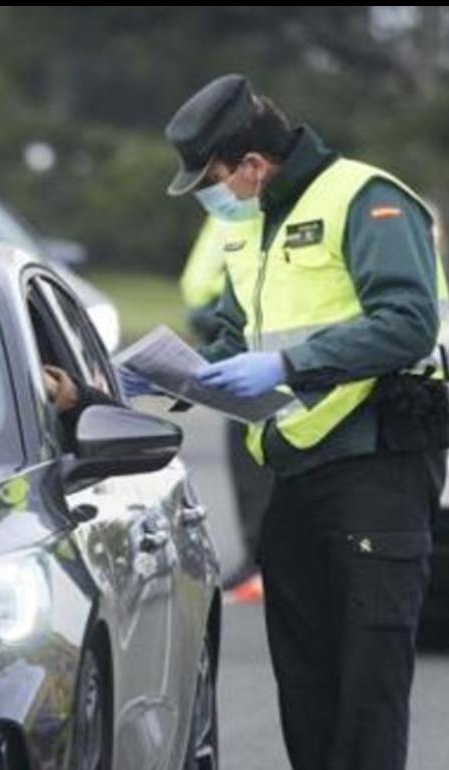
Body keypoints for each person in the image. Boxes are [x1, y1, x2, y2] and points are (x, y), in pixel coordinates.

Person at [163, 73, 449, 770]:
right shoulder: (253, 225)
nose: (217, 193)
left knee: (368, 687)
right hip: (294, 468)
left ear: (255, 164)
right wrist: (172, 373)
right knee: (308, 683)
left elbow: (409, 323)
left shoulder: (366, 199)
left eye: (218, 177)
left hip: (377, 466)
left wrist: (289, 367)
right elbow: (239, 333)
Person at [180, 214, 275, 583]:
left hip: (259, 344)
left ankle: (263, 560)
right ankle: (255, 557)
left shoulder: (263, 208)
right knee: (244, 465)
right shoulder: (228, 209)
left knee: (262, 469)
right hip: (222, 328)